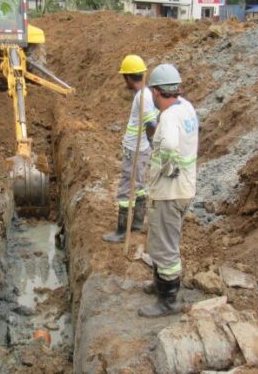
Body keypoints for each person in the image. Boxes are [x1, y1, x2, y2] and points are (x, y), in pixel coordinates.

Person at [138, 64, 199, 318]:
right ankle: (159, 284)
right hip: (185, 188)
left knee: (166, 247)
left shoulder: (170, 117)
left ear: (156, 92)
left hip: (170, 193)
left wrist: (168, 164)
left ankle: (168, 301)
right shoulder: (186, 107)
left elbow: (171, 144)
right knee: (161, 241)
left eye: (152, 91)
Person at [102, 55, 159, 244]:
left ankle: (121, 230)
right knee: (140, 185)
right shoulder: (146, 94)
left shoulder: (143, 97)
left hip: (136, 150)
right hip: (140, 149)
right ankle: (136, 223)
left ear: (127, 77)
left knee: (126, 189)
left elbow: (151, 122)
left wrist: (150, 139)